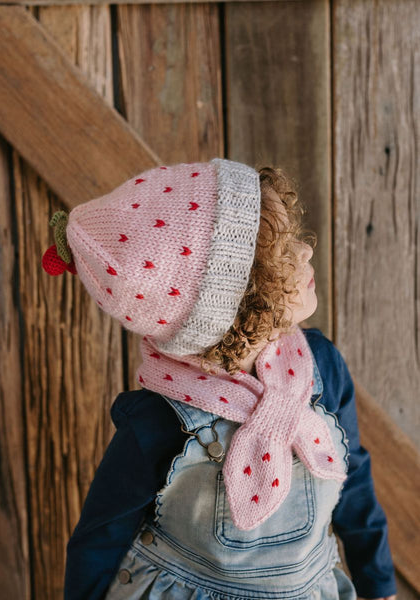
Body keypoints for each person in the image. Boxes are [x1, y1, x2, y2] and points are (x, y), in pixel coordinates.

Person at [41, 158, 398, 600]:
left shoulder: (321, 366)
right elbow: (100, 537)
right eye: (283, 254)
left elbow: (352, 474)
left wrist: (377, 580)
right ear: (234, 305)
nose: (305, 252)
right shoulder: (160, 420)